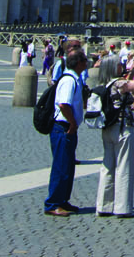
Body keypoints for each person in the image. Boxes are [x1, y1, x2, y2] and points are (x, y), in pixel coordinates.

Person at [95, 53, 134, 218]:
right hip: (122, 128)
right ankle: (122, 207)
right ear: (112, 67)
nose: (122, 65)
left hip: (108, 128)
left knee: (107, 166)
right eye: (119, 64)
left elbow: (126, 82)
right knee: (124, 167)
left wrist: (131, 70)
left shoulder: (106, 83)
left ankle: (104, 205)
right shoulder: (120, 84)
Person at [43, 47, 86, 216]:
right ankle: (52, 203)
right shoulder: (69, 80)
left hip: (67, 127)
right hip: (63, 127)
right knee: (61, 166)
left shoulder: (75, 78)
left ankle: (63, 200)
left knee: (67, 166)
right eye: (85, 60)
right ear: (79, 63)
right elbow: (63, 104)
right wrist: (73, 123)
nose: (87, 63)